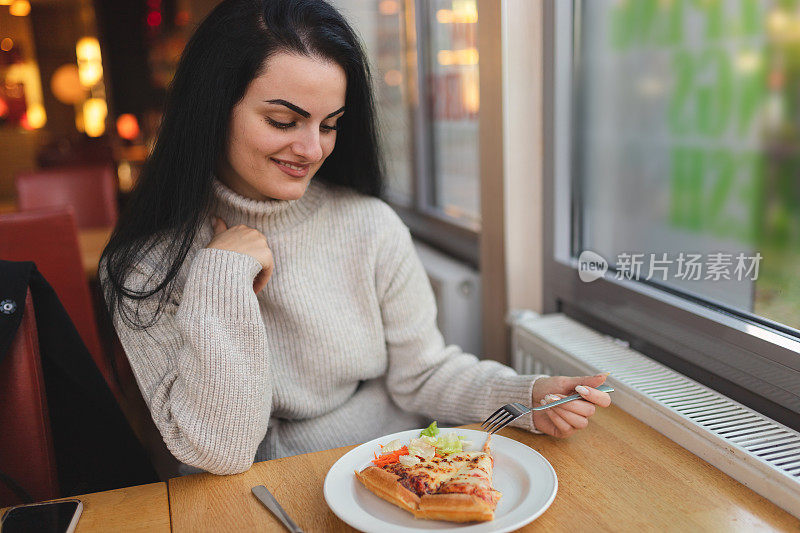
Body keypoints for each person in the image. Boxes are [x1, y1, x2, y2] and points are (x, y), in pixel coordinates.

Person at [100, 0, 611, 476]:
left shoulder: (369, 225)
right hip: (252, 493)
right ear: (212, 110)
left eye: (330, 124)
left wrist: (529, 395)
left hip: (389, 470)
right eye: (283, 120)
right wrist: (220, 276)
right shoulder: (144, 268)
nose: (311, 148)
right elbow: (220, 450)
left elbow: (423, 373)